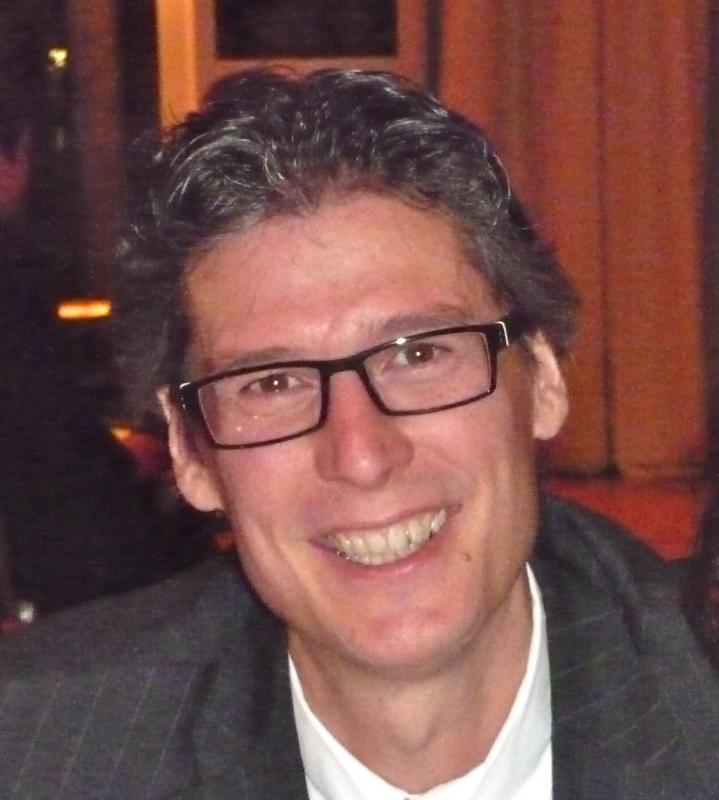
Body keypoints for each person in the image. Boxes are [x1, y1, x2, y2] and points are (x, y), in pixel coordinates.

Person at [1, 68, 718, 799]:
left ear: (542, 379)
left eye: (418, 356)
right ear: (191, 453)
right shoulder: (38, 753)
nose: (362, 455)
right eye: (272, 385)